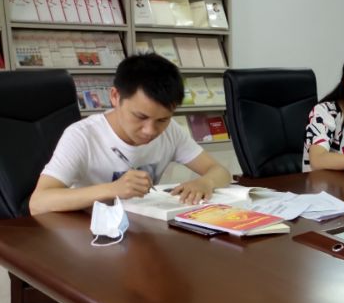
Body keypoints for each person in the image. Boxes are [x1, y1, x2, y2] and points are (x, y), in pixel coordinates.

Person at [30, 54, 231, 215]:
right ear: (115, 97)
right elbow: (38, 202)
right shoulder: (82, 136)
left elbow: (219, 171)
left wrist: (205, 182)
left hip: (141, 229)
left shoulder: (171, 131)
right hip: (88, 234)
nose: (150, 130)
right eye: (140, 116)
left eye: (162, 120)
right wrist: (112, 189)